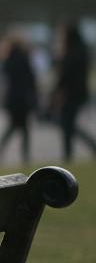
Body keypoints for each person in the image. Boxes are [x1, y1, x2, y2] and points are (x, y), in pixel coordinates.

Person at [52, 22, 96, 161]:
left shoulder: (71, 52)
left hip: (71, 94)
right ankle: (71, 153)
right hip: (78, 93)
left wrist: (56, 92)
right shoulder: (81, 50)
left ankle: (68, 155)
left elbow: (64, 74)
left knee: (67, 124)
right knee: (69, 124)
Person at [0, 35, 37, 164]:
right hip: (23, 99)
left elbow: (5, 75)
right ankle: (25, 156)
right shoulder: (24, 57)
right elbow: (31, 79)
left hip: (12, 99)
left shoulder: (9, 59)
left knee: (15, 126)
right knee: (22, 128)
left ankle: (2, 150)